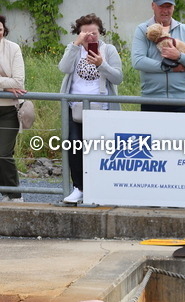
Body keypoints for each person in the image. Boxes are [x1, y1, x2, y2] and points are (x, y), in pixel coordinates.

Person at [58, 14, 123, 204]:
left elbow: (118, 78)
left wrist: (102, 65)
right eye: (85, 33)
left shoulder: (108, 50)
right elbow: (64, 68)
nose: (90, 37)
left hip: (102, 107)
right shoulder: (74, 49)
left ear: (100, 32)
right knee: (74, 147)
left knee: (101, 150)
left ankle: (101, 190)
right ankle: (79, 188)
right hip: (74, 106)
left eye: (93, 33)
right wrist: (75, 46)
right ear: (78, 33)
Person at [131, 0, 185, 113]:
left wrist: (179, 56)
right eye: (161, 6)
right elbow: (138, 61)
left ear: (174, 7)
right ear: (153, 6)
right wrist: (169, 68)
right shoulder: (143, 30)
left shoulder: (184, 30)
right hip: (151, 101)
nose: (165, 11)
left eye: (169, 6)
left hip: (181, 101)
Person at [0, 14, 25, 202]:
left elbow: (18, 81)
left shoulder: (13, 48)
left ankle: (14, 195)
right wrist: (5, 85)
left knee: (3, 153)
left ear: (4, 30)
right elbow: (11, 82)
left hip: (8, 110)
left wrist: (8, 85)